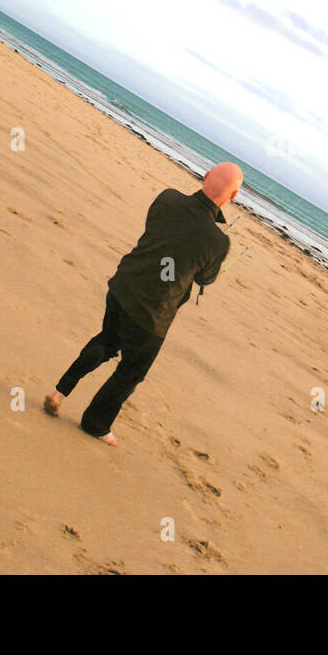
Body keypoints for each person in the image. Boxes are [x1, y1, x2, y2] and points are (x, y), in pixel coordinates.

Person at [43, 162, 242, 446]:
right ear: (232, 197)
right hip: (152, 314)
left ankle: (59, 392)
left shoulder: (168, 198)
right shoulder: (217, 241)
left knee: (107, 340)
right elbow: (205, 279)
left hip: (124, 286)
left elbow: (161, 234)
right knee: (130, 372)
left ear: (207, 177)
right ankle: (95, 424)